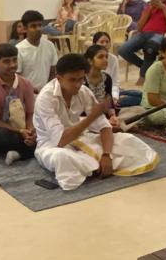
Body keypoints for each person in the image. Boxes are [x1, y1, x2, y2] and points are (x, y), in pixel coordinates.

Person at [33, 53, 159, 190]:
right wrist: (91, 117)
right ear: (59, 78)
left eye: (81, 79)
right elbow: (60, 140)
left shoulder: (83, 91)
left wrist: (106, 154)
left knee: (127, 139)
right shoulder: (45, 98)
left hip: (81, 139)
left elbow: (104, 126)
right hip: (52, 146)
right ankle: (96, 166)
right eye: (72, 80)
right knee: (62, 158)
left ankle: (94, 167)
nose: (77, 85)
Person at [0, 43, 36, 164]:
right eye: (6, 61)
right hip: (0, 130)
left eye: (14, 60)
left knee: (44, 132)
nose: (12, 65)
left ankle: (18, 153)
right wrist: (20, 132)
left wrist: (30, 131)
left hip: (23, 129)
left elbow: (30, 113)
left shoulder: (26, 84)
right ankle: (29, 150)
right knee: (0, 138)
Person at [92, 30, 141, 108]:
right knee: (139, 99)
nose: (105, 44)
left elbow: (115, 82)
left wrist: (115, 96)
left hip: (112, 90)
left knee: (139, 94)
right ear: (94, 44)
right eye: (101, 42)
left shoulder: (113, 58)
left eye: (107, 42)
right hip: (99, 95)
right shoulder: (91, 59)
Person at [83, 44, 123, 129]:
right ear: (90, 61)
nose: (105, 60)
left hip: (103, 115)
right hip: (84, 118)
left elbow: (109, 103)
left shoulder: (107, 78)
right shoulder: (81, 79)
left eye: (106, 57)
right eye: (100, 57)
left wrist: (112, 116)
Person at [16, 10, 55, 92]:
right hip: (26, 94)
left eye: (40, 25)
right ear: (25, 28)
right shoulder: (19, 49)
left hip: (46, 93)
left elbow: (53, 72)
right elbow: (17, 77)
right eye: (33, 26)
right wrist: (31, 90)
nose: (38, 29)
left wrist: (47, 90)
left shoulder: (50, 45)